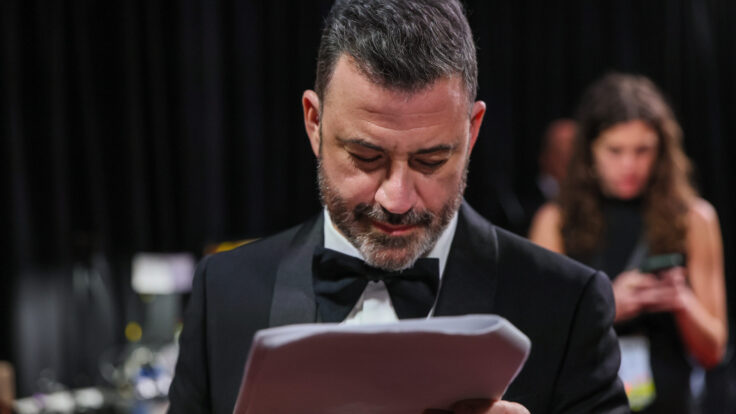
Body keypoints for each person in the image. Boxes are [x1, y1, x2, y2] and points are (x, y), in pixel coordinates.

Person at [168, 1, 629, 413]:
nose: (397, 199)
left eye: (431, 161)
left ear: (472, 132)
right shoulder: (223, 292)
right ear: (314, 122)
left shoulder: (566, 304)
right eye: (366, 157)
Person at [529, 73, 727, 413]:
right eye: (615, 150)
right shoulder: (555, 221)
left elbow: (713, 352)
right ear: (590, 151)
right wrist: (607, 306)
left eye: (642, 150)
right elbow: (539, 342)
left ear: (662, 151)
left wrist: (682, 301)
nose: (629, 165)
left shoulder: (695, 218)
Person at [520, 119, 577, 233]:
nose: (567, 156)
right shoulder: (523, 202)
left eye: (574, 147)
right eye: (560, 149)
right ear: (544, 156)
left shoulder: (588, 200)